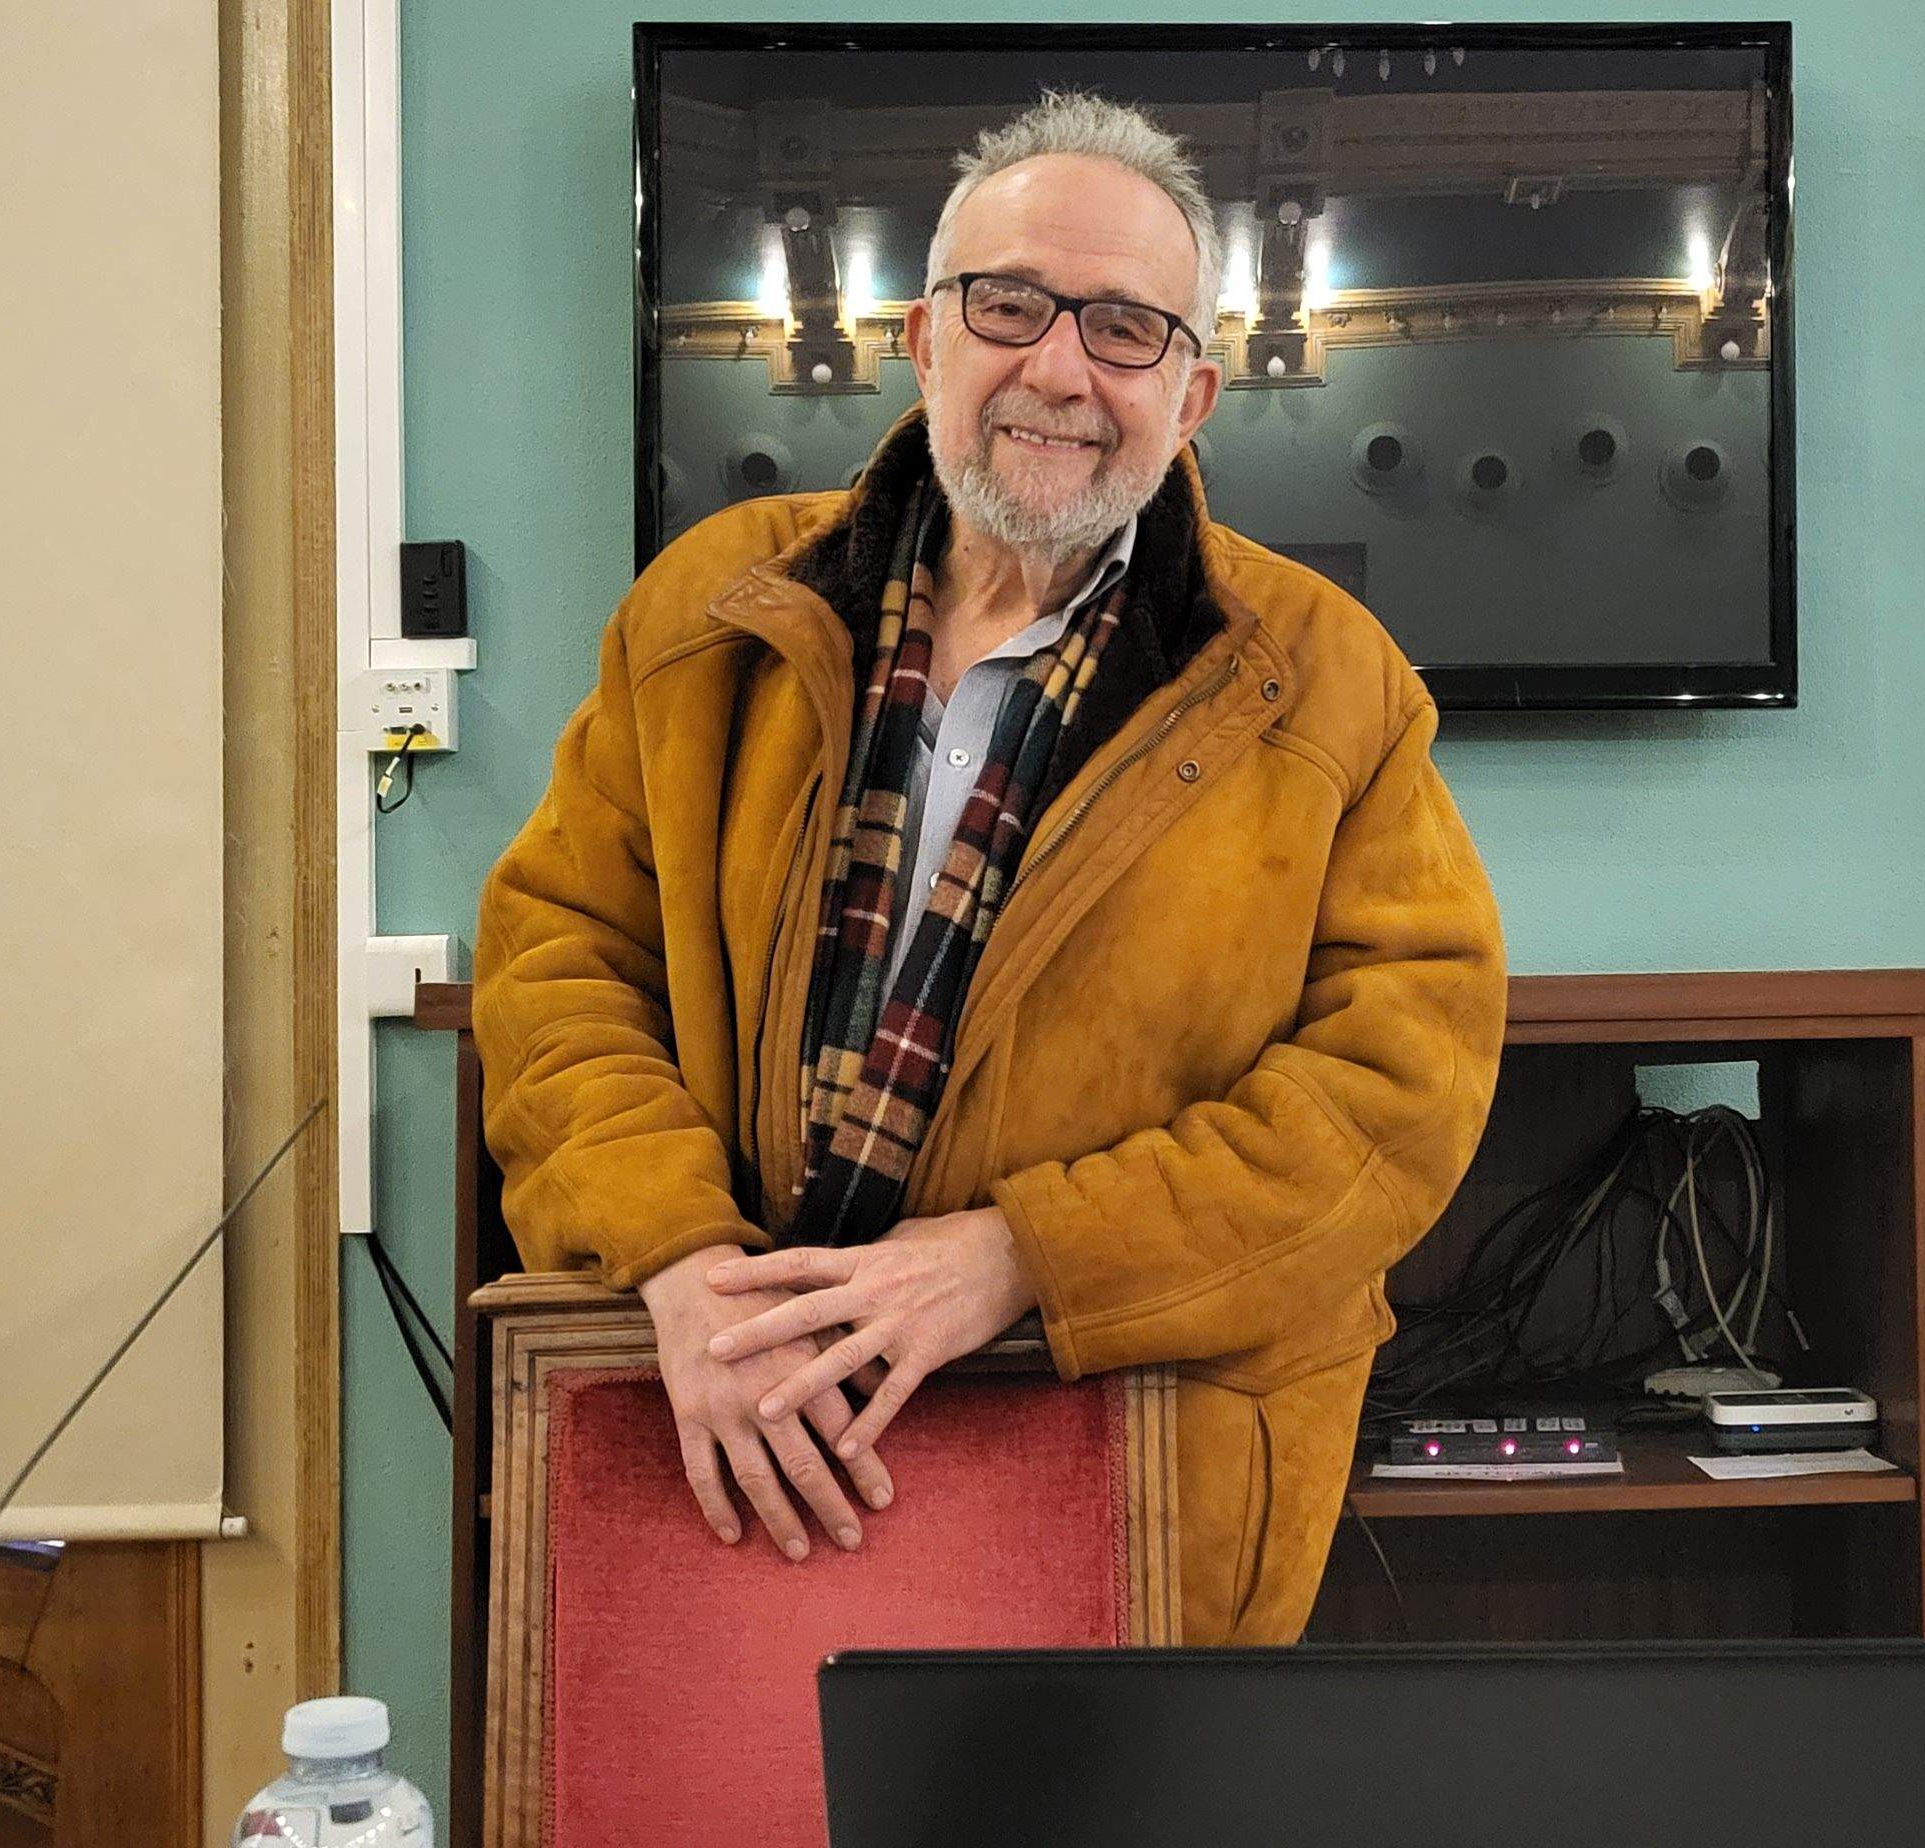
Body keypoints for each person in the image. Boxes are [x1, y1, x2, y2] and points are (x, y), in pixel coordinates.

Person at [472, 91, 1504, 1643]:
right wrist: (676, 1256)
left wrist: (1026, 1254)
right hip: (727, 1421)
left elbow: (1394, 1095)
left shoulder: (1334, 683)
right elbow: (560, 960)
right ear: (924, 338)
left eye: (1125, 329)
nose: (1059, 368)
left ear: (1197, 392)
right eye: (1009, 304)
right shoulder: (704, 614)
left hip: (1141, 1463)